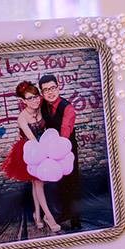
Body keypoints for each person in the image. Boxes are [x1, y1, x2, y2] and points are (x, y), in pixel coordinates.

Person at [1, 81, 61, 233]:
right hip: (32, 150)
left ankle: (37, 215)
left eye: (36, 96)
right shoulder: (22, 118)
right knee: (38, 182)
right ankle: (49, 217)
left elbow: (48, 129)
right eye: (30, 98)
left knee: (36, 184)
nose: (34, 100)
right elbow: (32, 139)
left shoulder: (42, 108)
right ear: (23, 101)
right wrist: (44, 153)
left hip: (44, 144)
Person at [39, 74, 82, 231]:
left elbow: (65, 132)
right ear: (42, 93)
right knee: (60, 182)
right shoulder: (43, 105)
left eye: (53, 88)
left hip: (67, 148)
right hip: (52, 148)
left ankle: (76, 220)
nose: (50, 92)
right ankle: (65, 213)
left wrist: (56, 150)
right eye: (46, 90)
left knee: (72, 182)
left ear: (58, 87)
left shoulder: (67, 108)